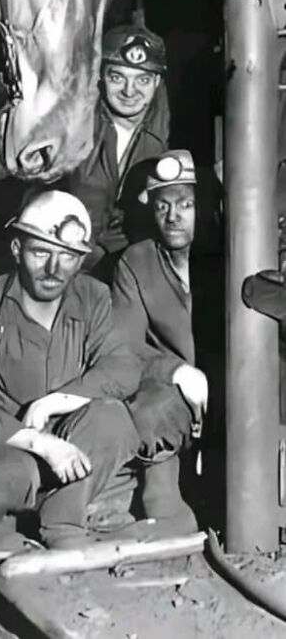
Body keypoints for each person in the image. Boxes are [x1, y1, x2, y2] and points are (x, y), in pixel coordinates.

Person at [0, 190, 141, 551]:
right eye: (40, 253)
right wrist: (41, 443)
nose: (54, 269)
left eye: (67, 257)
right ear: (17, 249)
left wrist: (54, 403)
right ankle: (7, 518)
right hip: (11, 446)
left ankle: (62, 522)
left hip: (74, 440)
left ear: (80, 260)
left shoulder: (93, 297)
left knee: (114, 419)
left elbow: (123, 367)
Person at [111, 149, 208, 535]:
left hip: (239, 390)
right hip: (177, 394)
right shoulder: (136, 262)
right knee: (149, 405)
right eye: (163, 205)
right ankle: (162, 496)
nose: (173, 217)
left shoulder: (236, 253)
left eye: (186, 204)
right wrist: (176, 371)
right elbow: (123, 345)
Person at [59, 22, 170, 281]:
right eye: (117, 77)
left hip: (125, 267)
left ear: (156, 82)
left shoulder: (166, 129)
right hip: (63, 258)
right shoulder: (73, 122)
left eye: (142, 79)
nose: (129, 91)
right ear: (101, 76)